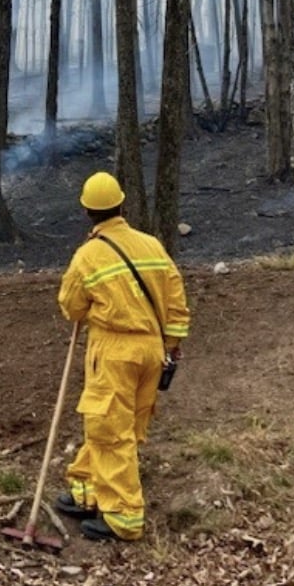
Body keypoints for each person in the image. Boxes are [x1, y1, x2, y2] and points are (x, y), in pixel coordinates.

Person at [55, 170, 190, 543]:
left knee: (110, 430)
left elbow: (70, 306)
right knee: (122, 427)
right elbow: (176, 295)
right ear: (122, 203)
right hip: (153, 350)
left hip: (114, 351)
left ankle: (123, 517)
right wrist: (173, 342)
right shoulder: (151, 245)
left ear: (86, 211)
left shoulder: (88, 256)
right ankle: (87, 489)